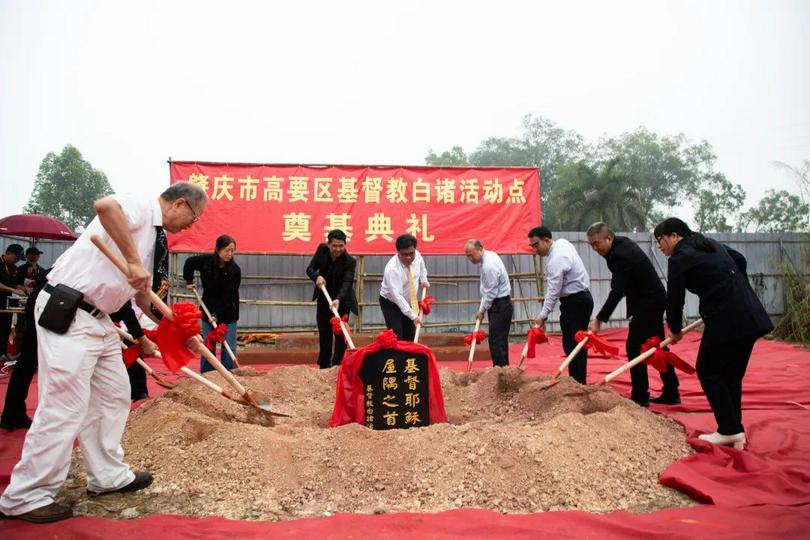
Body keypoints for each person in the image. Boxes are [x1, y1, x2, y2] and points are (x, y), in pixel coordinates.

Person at [0, 182, 207, 523]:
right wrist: (131, 262)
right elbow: (104, 206)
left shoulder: (156, 238)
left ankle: (107, 475)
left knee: (113, 394)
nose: (192, 224)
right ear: (180, 203)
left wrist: (178, 330)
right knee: (64, 404)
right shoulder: (140, 205)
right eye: (194, 217)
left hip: (100, 319)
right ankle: (26, 495)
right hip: (70, 308)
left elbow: (143, 298)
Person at [655, 217, 773, 450]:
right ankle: (735, 431)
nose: (660, 246)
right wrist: (736, 287)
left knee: (708, 370)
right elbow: (739, 259)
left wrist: (675, 329)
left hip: (725, 317)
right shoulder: (710, 244)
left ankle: (728, 430)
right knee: (730, 375)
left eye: (661, 240)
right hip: (750, 314)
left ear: (674, 236)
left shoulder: (680, 257)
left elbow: (674, 298)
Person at [586, 223, 680, 407]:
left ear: (608, 238)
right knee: (657, 347)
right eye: (591, 245)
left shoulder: (620, 255)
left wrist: (599, 319)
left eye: (597, 243)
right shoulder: (619, 246)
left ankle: (640, 396)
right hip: (649, 299)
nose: (595, 248)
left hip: (649, 302)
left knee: (635, 348)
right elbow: (621, 288)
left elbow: (617, 291)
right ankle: (671, 391)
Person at [528, 226, 593, 384]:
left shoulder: (556, 259)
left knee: (573, 345)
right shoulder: (563, 243)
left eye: (536, 245)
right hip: (581, 300)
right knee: (576, 343)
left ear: (547, 240)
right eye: (532, 246)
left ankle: (577, 383)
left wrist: (542, 315)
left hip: (576, 303)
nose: (535, 250)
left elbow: (553, 291)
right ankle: (577, 381)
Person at [184, 234, 241, 373]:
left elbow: (228, 297)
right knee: (208, 345)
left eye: (232, 251)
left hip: (228, 311)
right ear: (217, 249)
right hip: (208, 307)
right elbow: (189, 263)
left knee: (228, 347)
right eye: (227, 250)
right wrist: (189, 281)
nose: (230, 254)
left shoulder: (234, 270)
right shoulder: (206, 262)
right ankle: (207, 375)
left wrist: (216, 314)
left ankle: (229, 374)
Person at [0, 269, 49, 431]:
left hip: (41, 305)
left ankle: (13, 414)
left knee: (27, 364)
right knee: (28, 363)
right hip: (45, 307)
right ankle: (13, 414)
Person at [306, 229, 358, 368]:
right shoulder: (322, 251)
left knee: (341, 336)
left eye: (341, 246)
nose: (338, 249)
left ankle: (337, 366)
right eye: (334, 245)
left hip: (342, 302)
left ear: (345, 245)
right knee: (325, 334)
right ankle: (324, 366)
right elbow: (310, 269)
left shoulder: (350, 261)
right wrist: (316, 277)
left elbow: (347, 282)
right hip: (324, 299)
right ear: (328, 244)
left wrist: (338, 299)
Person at [464, 239, 513, 367]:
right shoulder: (489, 257)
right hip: (498, 303)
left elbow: (490, 293)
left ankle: (500, 370)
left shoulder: (488, 266)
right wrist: (482, 310)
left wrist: (481, 311)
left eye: (471, 255)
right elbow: (486, 291)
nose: (470, 258)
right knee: (499, 340)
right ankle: (503, 369)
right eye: (467, 256)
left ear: (480, 249)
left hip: (500, 304)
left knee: (496, 340)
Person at [379, 234, 430, 341]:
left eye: (411, 254)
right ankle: (396, 357)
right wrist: (413, 317)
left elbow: (422, 267)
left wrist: (424, 280)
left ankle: (410, 357)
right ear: (398, 252)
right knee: (397, 336)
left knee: (410, 335)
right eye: (404, 254)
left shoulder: (417, 255)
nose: (408, 257)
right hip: (391, 303)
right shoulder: (392, 269)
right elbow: (398, 297)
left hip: (409, 300)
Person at [1, 244, 27, 359]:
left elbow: (15, 283)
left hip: (7, 302)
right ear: (9, 253)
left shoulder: (13, 268)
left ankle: (3, 353)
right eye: (16, 258)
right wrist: (12, 289)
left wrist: (26, 289)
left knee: (5, 327)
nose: (17, 261)